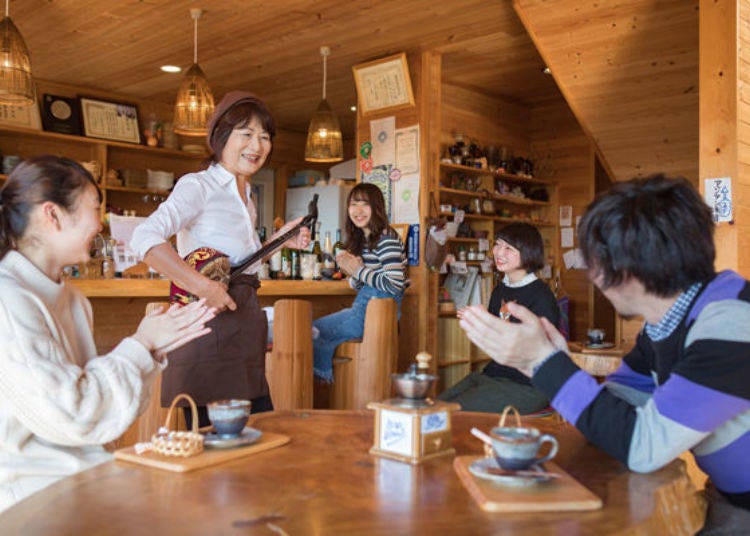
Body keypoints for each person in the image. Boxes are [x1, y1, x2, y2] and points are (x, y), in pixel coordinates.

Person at [458, 175, 750, 533]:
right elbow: (615, 409)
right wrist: (556, 361)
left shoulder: (732, 322)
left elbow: (643, 445)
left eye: (594, 262)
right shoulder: (665, 323)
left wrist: (542, 363)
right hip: (728, 496)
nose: (592, 276)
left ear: (629, 268)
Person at [0, 155, 215, 513]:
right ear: (51, 215)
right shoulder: (9, 300)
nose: (100, 224)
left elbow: (94, 415)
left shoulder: (73, 300)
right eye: (94, 208)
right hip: (27, 497)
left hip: (80, 477)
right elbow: (73, 414)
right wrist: (142, 345)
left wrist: (150, 349)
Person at [130, 91, 310, 427]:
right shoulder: (198, 186)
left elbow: (244, 264)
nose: (257, 145)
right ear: (221, 137)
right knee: (214, 454)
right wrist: (202, 286)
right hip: (206, 330)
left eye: (264, 136)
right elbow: (144, 237)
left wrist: (282, 239)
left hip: (241, 327)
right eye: (246, 134)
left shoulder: (247, 195)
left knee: (255, 439)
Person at [438, 223, 559, 413]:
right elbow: (496, 344)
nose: (499, 253)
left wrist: (487, 323)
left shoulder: (541, 296)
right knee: (432, 406)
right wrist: (478, 324)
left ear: (528, 253)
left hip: (527, 386)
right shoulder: (500, 289)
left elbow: (535, 349)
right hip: (493, 375)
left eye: (509, 248)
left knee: (451, 413)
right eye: (498, 245)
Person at [313, 183, 408, 381]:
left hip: (375, 317)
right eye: (353, 204)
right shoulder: (365, 240)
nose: (358, 211)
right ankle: (323, 374)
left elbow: (394, 284)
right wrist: (353, 272)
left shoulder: (386, 239)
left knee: (311, 331)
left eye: (365, 204)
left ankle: (322, 375)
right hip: (363, 310)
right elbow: (361, 284)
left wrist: (358, 270)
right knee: (312, 329)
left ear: (377, 208)